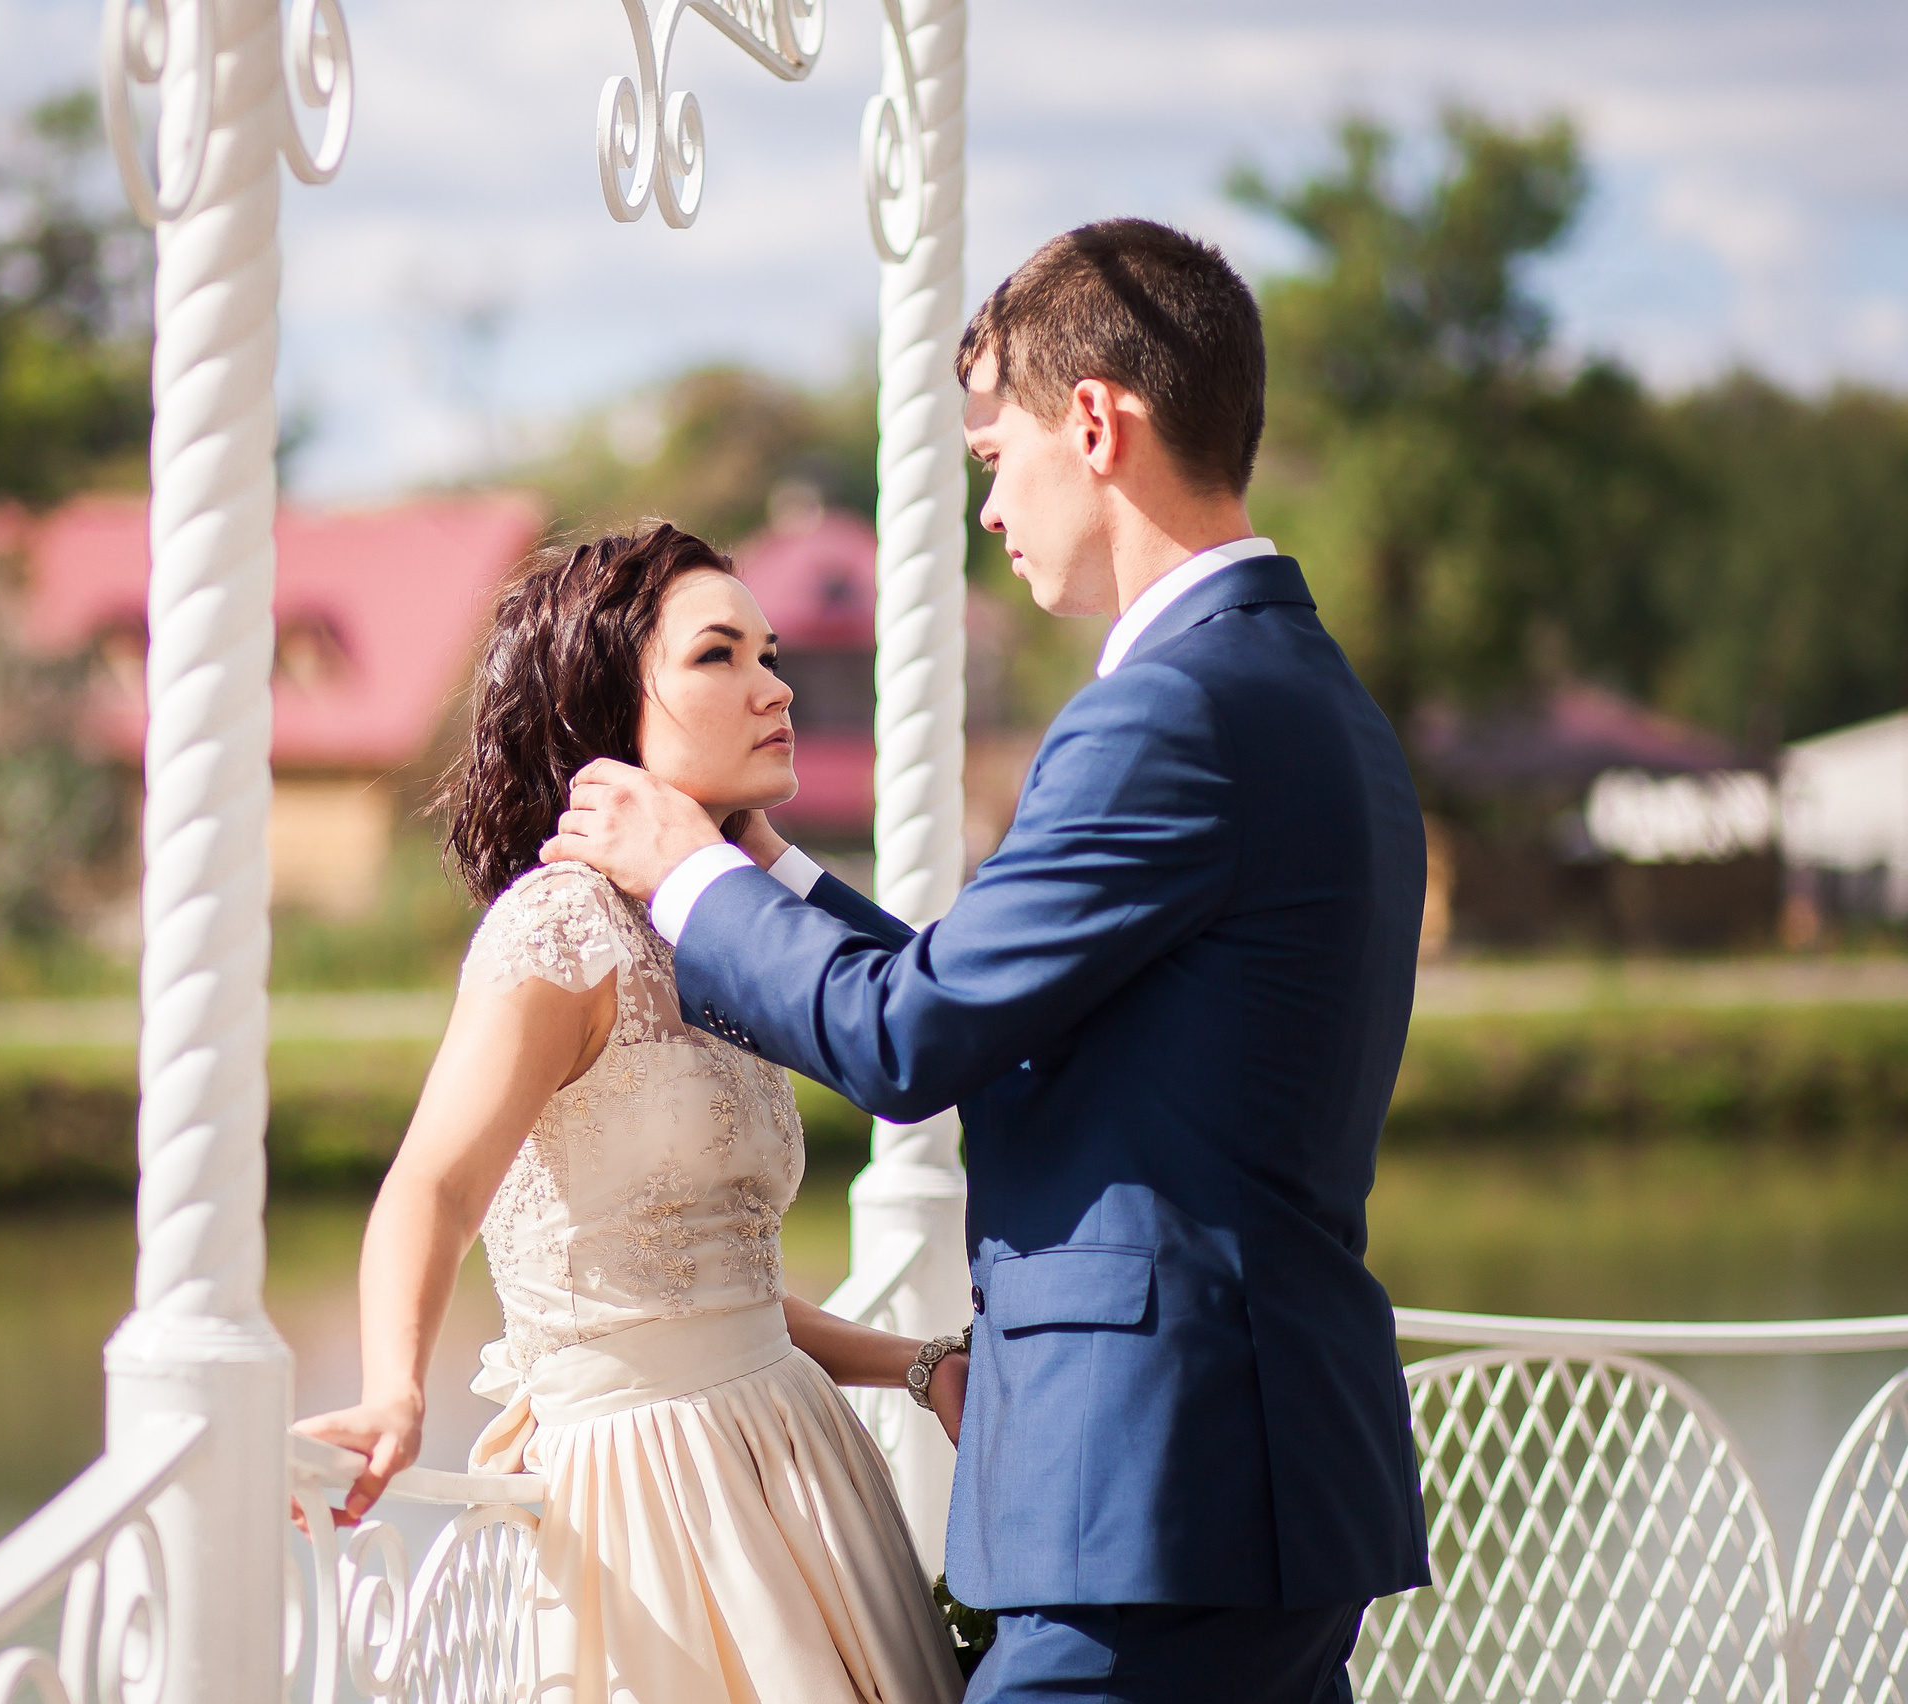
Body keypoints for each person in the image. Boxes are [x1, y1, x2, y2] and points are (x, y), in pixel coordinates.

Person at [545, 219, 1434, 1703]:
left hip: (1151, 1496)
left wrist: (684, 875)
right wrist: (768, 871)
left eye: (993, 454)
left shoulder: (1169, 712)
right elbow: (1010, 1009)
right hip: (1257, 1481)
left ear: (1093, 422)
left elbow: (914, 1041)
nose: (991, 506)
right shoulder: (1309, 694)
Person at [295, 524, 966, 1704]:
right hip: (650, 1500)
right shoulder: (559, 928)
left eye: (769, 655)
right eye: (718, 656)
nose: (775, 688)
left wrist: (916, 1366)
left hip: (797, 1459)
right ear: (606, 707)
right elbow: (434, 1187)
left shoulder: (706, 926)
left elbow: (712, 1290)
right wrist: (396, 1387)